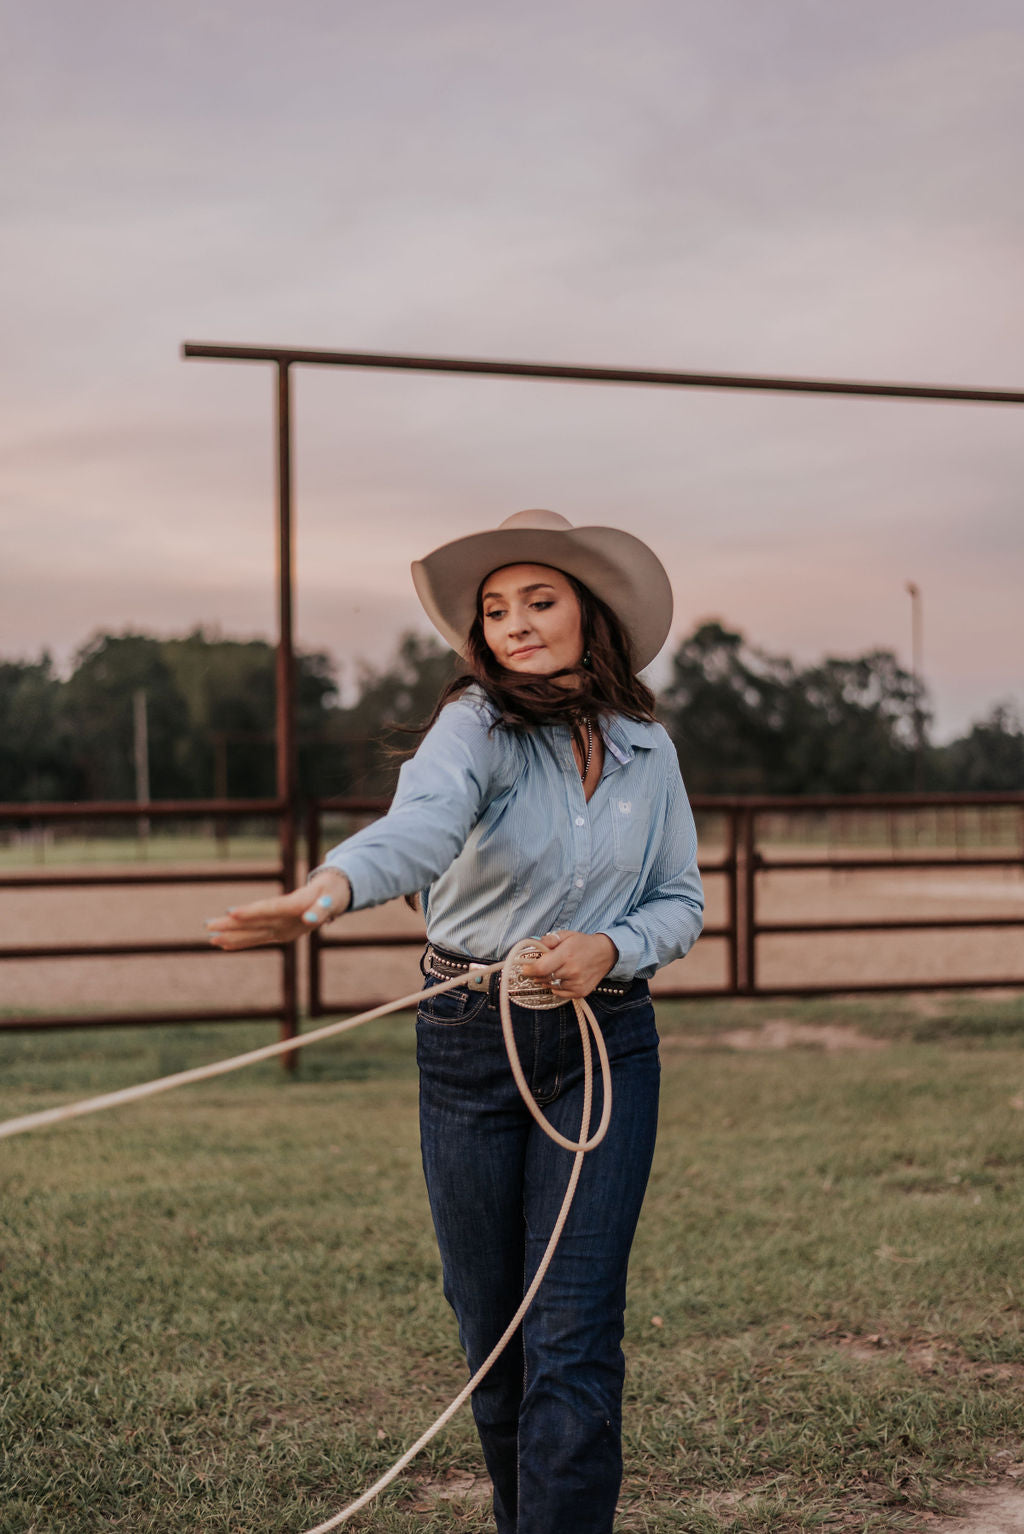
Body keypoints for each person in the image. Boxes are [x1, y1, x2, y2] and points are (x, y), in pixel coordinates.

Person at [206, 509, 704, 1534]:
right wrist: (328, 890)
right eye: (495, 609)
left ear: (588, 613)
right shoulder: (474, 723)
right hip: (469, 1046)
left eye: (539, 600)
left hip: (606, 1045)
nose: (515, 623)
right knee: (495, 1340)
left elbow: (679, 899)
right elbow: (421, 825)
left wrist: (606, 949)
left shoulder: (649, 751)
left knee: (573, 1337)